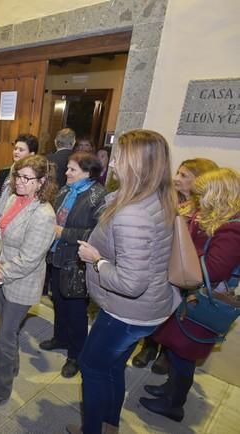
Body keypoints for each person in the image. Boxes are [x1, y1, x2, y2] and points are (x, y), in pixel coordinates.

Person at [70, 129, 180, 434]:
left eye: (119, 158)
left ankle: (92, 429)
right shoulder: (158, 196)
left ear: (137, 165)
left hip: (128, 311)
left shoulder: (133, 213)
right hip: (151, 308)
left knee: (91, 367)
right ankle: (109, 425)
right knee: (113, 366)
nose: (112, 164)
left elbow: (132, 283)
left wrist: (97, 259)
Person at [141, 168, 240, 423]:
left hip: (200, 300)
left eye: (202, 193)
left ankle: (174, 404)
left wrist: (180, 256)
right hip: (189, 295)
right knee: (176, 350)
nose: (197, 198)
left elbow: (214, 269)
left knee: (184, 352)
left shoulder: (232, 230)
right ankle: (169, 390)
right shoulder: (215, 220)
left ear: (217, 195)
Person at [0, 155, 57, 409]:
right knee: (7, 328)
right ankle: (10, 366)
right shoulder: (14, 199)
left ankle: (2, 389)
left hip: (21, 283)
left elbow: (29, 260)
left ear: (41, 182)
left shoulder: (44, 214)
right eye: (17, 176)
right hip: (3, 275)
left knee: (4, 336)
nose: (19, 182)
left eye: (27, 178)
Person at [132, 157, 219, 373]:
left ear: (200, 181)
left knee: (176, 311)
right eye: (177, 173)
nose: (176, 178)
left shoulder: (206, 211)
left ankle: (167, 354)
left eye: (183, 175)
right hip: (160, 262)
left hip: (183, 269)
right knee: (155, 306)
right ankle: (149, 347)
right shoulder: (168, 198)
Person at [39, 152, 106, 378]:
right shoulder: (65, 190)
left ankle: (76, 355)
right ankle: (60, 337)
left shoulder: (98, 196)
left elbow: (98, 233)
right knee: (58, 301)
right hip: (57, 257)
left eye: (72, 170)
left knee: (76, 311)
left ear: (87, 173)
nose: (66, 173)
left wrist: (64, 233)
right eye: (67, 168)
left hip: (77, 262)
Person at [0, 133, 38, 311]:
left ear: (32, 154)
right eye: (15, 148)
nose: (16, 151)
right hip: (0, 217)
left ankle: (2, 288)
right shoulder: (5, 172)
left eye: (21, 149)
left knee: (9, 258)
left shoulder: (33, 181)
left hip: (16, 224)